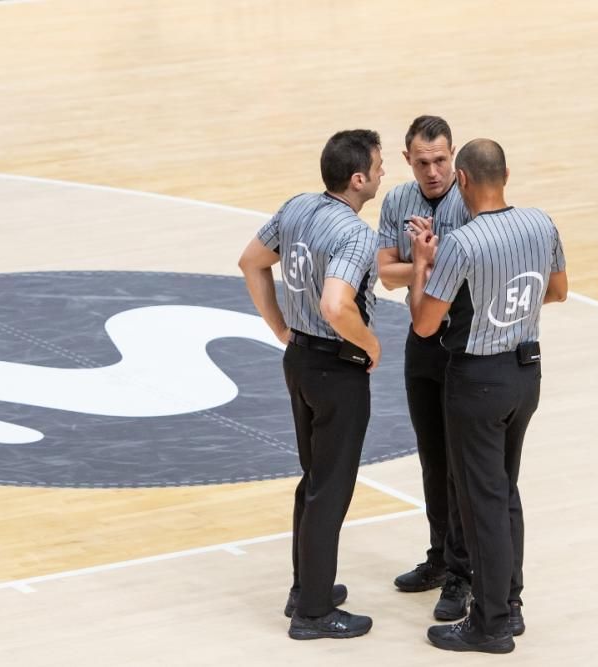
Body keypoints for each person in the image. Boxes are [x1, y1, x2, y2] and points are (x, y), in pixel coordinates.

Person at [408, 138, 568, 654]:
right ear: (506, 174)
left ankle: (491, 623)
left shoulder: (464, 242)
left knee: (481, 503)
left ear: (464, 181)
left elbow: (426, 324)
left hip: (478, 380)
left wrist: (421, 265)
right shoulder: (542, 223)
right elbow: (559, 289)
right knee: (505, 492)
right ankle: (512, 604)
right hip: (527, 374)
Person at [238, 129, 384, 640]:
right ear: (359, 178)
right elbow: (335, 305)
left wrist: (279, 327)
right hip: (336, 369)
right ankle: (315, 614)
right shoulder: (355, 234)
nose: (385, 173)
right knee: (330, 489)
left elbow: (251, 261)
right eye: (380, 166)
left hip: (299, 360)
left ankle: (306, 589)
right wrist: (371, 345)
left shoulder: (298, 206)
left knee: (313, 480)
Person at [377, 115, 473, 621]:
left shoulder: (472, 194)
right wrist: (424, 263)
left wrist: (421, 264)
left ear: (453, 153)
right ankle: (440, 558)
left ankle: (463, 574)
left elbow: (475, 270)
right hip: (421, 341)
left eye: (440, 160)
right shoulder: (396, 201)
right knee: (433, 461)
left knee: (461, 465)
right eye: (422, 162)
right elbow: (384, 272)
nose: (433, 171)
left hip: (464, 339)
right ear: (406, 159)